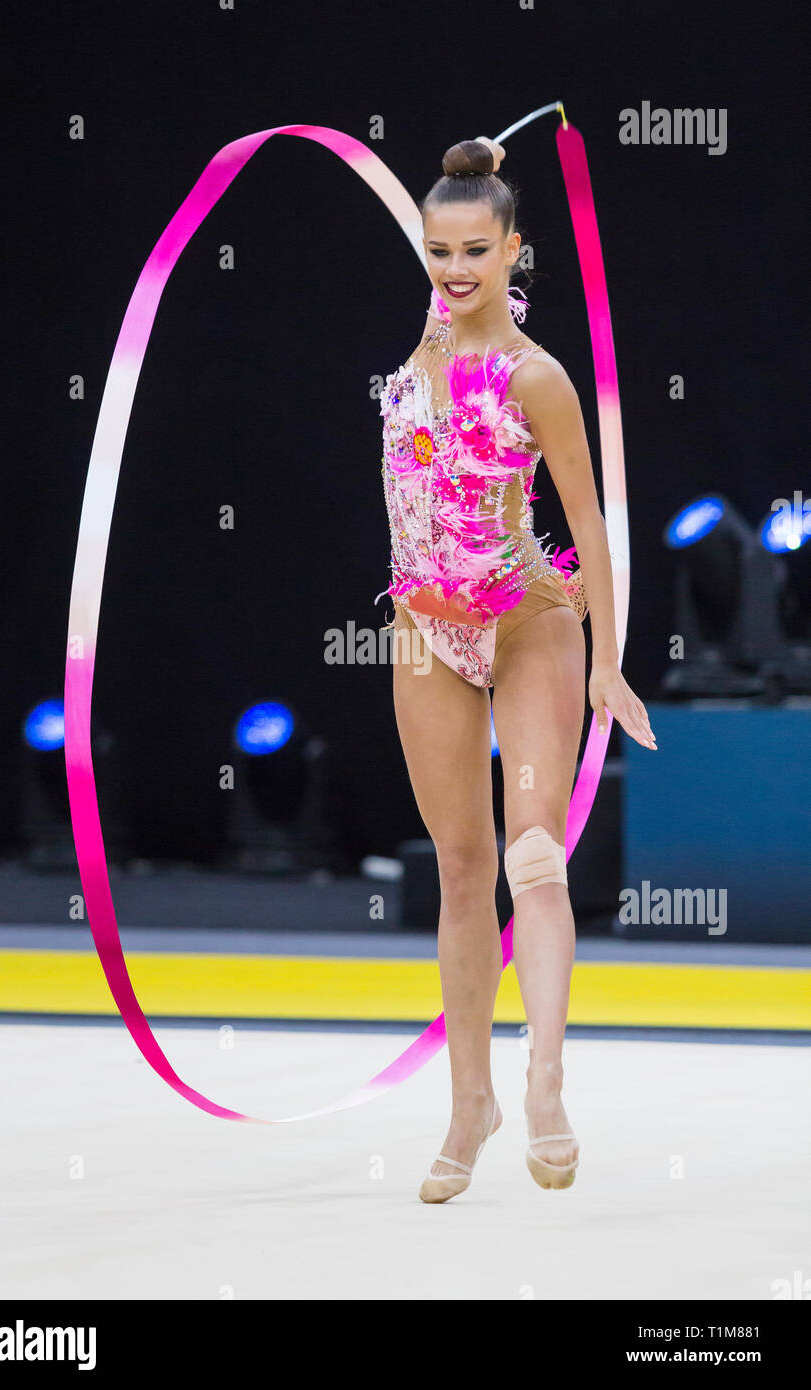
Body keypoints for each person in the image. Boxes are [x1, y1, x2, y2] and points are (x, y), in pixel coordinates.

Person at [375, 136, 656, 1203]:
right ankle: (468, 1103)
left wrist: (607, 665)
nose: (454, 271)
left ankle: (542, 1079)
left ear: (513, 253)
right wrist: (470, 161)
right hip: (420, 626)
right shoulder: (421, 344)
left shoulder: (537, 378)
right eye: (438, 251)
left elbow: (589, 521)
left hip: (528, 613)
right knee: (459, 867)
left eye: (476, 252)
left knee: (531, 854)